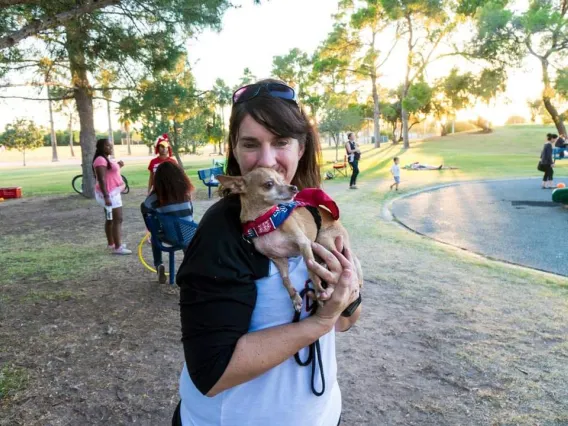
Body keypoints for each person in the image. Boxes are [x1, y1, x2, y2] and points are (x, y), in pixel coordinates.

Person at [172, 79, 362, 426]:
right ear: (234, 148)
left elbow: (347, 321)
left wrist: (344, 298)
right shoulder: (222, 233)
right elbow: (212, 372)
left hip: (321, 414)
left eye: (281, 142)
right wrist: (321, 321)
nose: (267, 159)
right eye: (250, 144)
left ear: (301, 147)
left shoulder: (313, 213)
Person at [141, 162, 195, 283]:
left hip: (169, 237)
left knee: (155, 235)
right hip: (190, 235)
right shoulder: (186, 193)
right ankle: (191, 265)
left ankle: (158, 264)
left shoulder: (155, 197)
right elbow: (190, 214)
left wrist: (152, 225)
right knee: (184, 235)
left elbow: (145, 207)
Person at [92, 138, 131, 255]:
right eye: (107, 146)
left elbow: (109, 172)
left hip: (111, 193)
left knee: (110, 219)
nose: (110, 148)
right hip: (109, 194)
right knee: (117, 219)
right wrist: (106, 196)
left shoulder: (104, 159)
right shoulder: (100, 160)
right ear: (101, 148)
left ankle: (112, 243)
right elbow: (101, 179)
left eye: (111, 145)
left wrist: (118, 165)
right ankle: (118, 247)